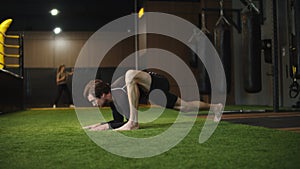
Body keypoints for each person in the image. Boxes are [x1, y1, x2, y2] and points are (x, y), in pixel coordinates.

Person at [83, 69, 223, 131]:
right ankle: (216, 107)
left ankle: (134, 122)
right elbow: (119, 122)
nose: (93, 104)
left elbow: (123, 122)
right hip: (152, 95)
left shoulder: (118, 92)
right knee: (185, 108)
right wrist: (101, 125)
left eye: (93, 101)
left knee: (130, 74)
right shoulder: (113, 103)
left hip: (156, 83)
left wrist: (130, 122)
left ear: (102, 95)